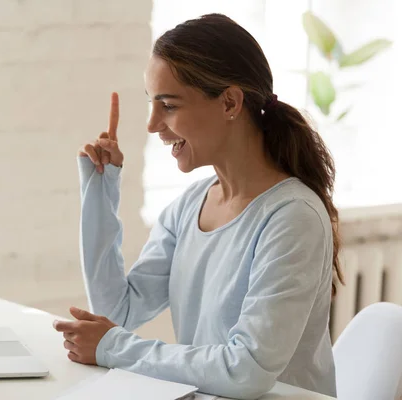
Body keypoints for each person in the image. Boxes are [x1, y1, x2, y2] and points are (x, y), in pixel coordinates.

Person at [53, 13, 341, 399]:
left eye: (168, 105)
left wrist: (111, 347)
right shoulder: (190, 206)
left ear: (229, 103)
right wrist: (101, 192)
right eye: (151, 104)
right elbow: (118, 311)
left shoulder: (292, 218)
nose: (153, 124)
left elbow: (246, 371)